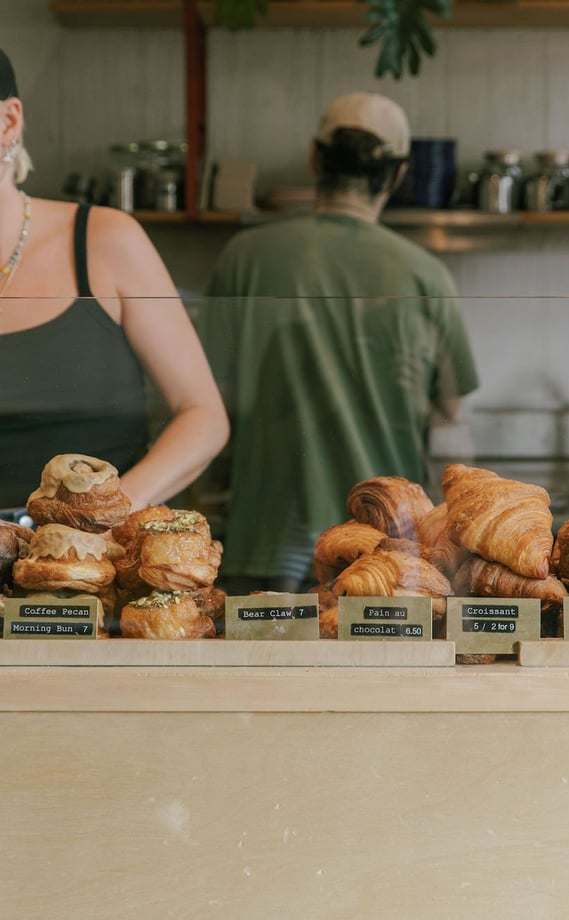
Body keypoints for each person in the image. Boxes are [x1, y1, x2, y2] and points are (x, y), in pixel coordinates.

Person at [198, 92, 479, 593]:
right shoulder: (425, 273)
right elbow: (451, 412)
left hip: (270, 537)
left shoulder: (244, 257)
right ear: (397, 174)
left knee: (263, 669)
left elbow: (210, 401)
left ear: (314, 158)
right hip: (389, 544)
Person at [0, 48, 229, 515]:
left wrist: (104, 514)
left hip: (88, 569)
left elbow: (202, 416)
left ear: (7, 122)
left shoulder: (103, 239)